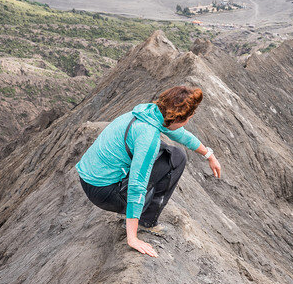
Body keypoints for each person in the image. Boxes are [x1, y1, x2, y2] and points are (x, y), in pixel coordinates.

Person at [76, 85, 222, 257]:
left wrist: (208, 155)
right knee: (172, 159)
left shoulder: (149, 113)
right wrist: (133, 238)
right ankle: (146, 221)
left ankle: (141, 216)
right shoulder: (148, 137)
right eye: (189, 117)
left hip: (91, 178)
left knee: (175, 154)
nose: (188, 121)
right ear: (178, 118)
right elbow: (138, 185)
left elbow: (180, 134)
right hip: (103, 192)